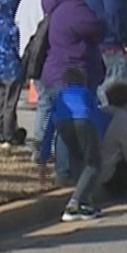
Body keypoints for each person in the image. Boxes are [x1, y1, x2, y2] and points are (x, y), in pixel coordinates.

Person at [35, 0, 105, 181]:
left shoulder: (57, 4)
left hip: (54, 69)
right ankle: (67, 173)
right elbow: (96, 27)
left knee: (58, 122)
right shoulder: (74, 9)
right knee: (71, 126)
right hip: (71, 72)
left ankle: (64, 169)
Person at [37, 66, 108, 222]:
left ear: (64, 83)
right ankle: (74, 203)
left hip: (62, 124)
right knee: (93, 164)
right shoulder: (87, 93)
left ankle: (84, 204)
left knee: (76, 158)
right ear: (83, 81)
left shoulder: (59, 96)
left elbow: (49, 128)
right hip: (84, 120)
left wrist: (43, 157)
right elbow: (96, 116)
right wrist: (99, 139)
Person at [0, 0, 26, 150]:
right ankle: (8, 134)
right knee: (10, 104)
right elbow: (19, 48)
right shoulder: (13, 28)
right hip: (13, 69)